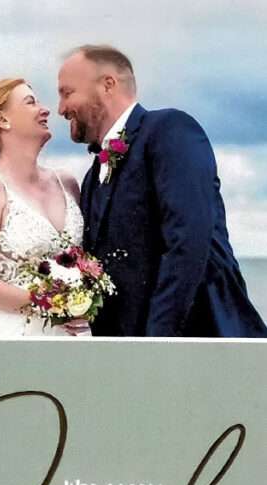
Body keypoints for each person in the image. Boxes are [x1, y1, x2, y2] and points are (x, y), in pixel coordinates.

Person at [57, 45, 267, 337]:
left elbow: (188, 240)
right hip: (124, 351)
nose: (61, 108)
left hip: (198, 340)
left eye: (67, 93)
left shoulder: (170, 130)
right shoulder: (93, 177)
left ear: (108, 85)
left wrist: (158, 344)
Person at [0, 78, 89, 339]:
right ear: (3, 120)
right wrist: (48, 305)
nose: (46, 109)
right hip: (16, 333)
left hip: (74, 334)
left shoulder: (68, 183)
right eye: (31, 102)